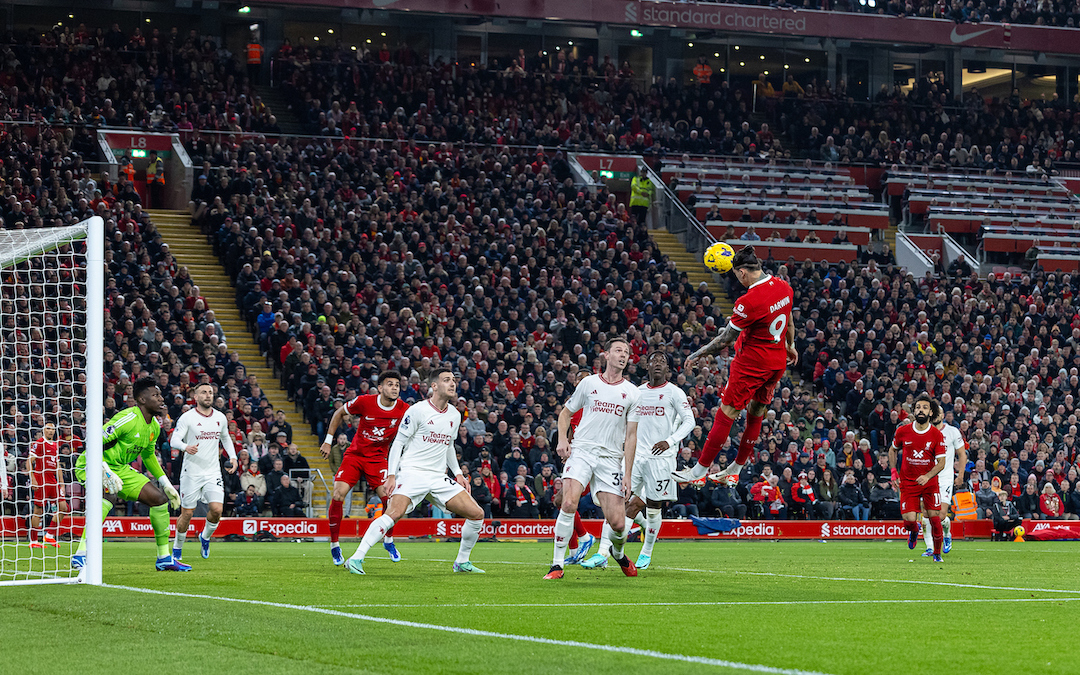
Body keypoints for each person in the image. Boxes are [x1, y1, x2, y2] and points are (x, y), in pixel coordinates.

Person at [673, 246, 796, 486]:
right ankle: (735, 469)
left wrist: (698, 353)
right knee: (756, 413)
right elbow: (789, 319)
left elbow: (725, 339)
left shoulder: (748, 301)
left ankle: (699, 470)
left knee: (726, 413)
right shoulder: (784, 287)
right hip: (776, 362)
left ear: (742, 273)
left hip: (752, 364)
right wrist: (791, 344)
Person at [346, 368, 486, 575]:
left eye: (454, 380)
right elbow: (398, 443)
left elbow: (448, 446)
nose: (453, 384)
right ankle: (356, 558)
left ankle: (461, 562)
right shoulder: (418, 410)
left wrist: (457, 473)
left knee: (477, 514)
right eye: (447, 380)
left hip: (438, 476)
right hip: (412, 472)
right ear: (434, 386)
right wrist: (392, 474)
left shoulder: (455, 415)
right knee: (393, 513)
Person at [583, 349, 694, 570]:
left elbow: (689, 421)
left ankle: (646, 551)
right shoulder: (636, 392)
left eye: (663, 361)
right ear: (646, 366)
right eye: (653, 360)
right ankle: (603, 553)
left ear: (669, 369)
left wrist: (669, 441)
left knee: (653, 508)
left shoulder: (675, 393)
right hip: (634, 459)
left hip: (661, 460)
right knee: (619, 504)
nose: (657, 364)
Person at [545, 337, 641, 580]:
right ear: (606, 355)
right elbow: (565, 414)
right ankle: (557, 565)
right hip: (582, 451)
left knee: (618, 524)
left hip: (610, 458)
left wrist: (627, 473)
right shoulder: (588, 383)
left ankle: (618, 554)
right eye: (618, 350)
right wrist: (563, 441)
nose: (623, 355)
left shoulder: (632, 393)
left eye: (626, 352)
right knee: (568, 503)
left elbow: (631, 437)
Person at [73, 377, 188, 572]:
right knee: (109, 493)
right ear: (142, 400)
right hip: (92, 463)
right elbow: (93, 441)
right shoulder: (128, 418)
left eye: (160, 395)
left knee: (159, 499)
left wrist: (166, 483)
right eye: (156, 395)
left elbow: (148, 455)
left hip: (119, 468)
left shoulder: (153, 425)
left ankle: (164, 558)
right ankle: (80, 555)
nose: (161, 399)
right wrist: (105, 470)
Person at [321, 370, 409, 566]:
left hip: (378, 460)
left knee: (390, 499)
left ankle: (388, 540)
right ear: (380, 388)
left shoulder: (404, 409)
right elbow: (339, 413)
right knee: (338, 494)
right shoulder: (364, 401)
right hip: (356, 455)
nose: (394, 388)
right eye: (390, 384)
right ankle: (334, 544)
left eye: (397, 384)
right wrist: (328, 441)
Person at [170, 382, 237, 561]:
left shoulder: (221, 417)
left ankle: (205, 537)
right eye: (204, 392)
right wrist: (185, 447)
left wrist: (233, 457)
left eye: (210, 392)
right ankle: (177, 547)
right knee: (187, 514)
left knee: (216, 510)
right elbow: (174, 440)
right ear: (196, 397)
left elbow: (226, 438)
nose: (208, 395)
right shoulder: (187, 418)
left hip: (212, 472)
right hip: (191, 472)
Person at [888, 396, 948, 563]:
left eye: (925, 407)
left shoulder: (936, 435)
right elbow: (892, 450)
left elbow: (941, 462)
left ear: (931, 412)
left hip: (929, 484)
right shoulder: (902, 431)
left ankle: (937, 554)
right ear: (914, 410)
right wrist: (894, 472)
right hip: (908, 483)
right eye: (918, 407)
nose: (921, 410)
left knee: (935, 518)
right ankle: (914, 531)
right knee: (909, 521)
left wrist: (928, 476)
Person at [920, 407, 967, 557]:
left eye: (938, 412)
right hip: (927, 477)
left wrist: (960, 475)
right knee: (926, 513)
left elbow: (962, 454)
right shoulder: (924, 432)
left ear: (942, 415)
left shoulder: (952, 431)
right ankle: (929, 548)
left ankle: (947, 533)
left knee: (940, 515)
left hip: (945, 477)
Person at [28, 422, 69, 549]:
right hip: (41, 480)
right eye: (48, 429)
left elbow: (57, 466)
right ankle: (33, 540)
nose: (51, 431)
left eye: (52, 429)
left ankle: (49, 535)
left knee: (64, 508)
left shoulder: (56, 445)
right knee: (38, 511)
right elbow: (29, 461)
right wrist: (33, 479)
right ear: (44, 430)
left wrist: (62, 484)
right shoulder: (39, 443)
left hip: (53, 481)